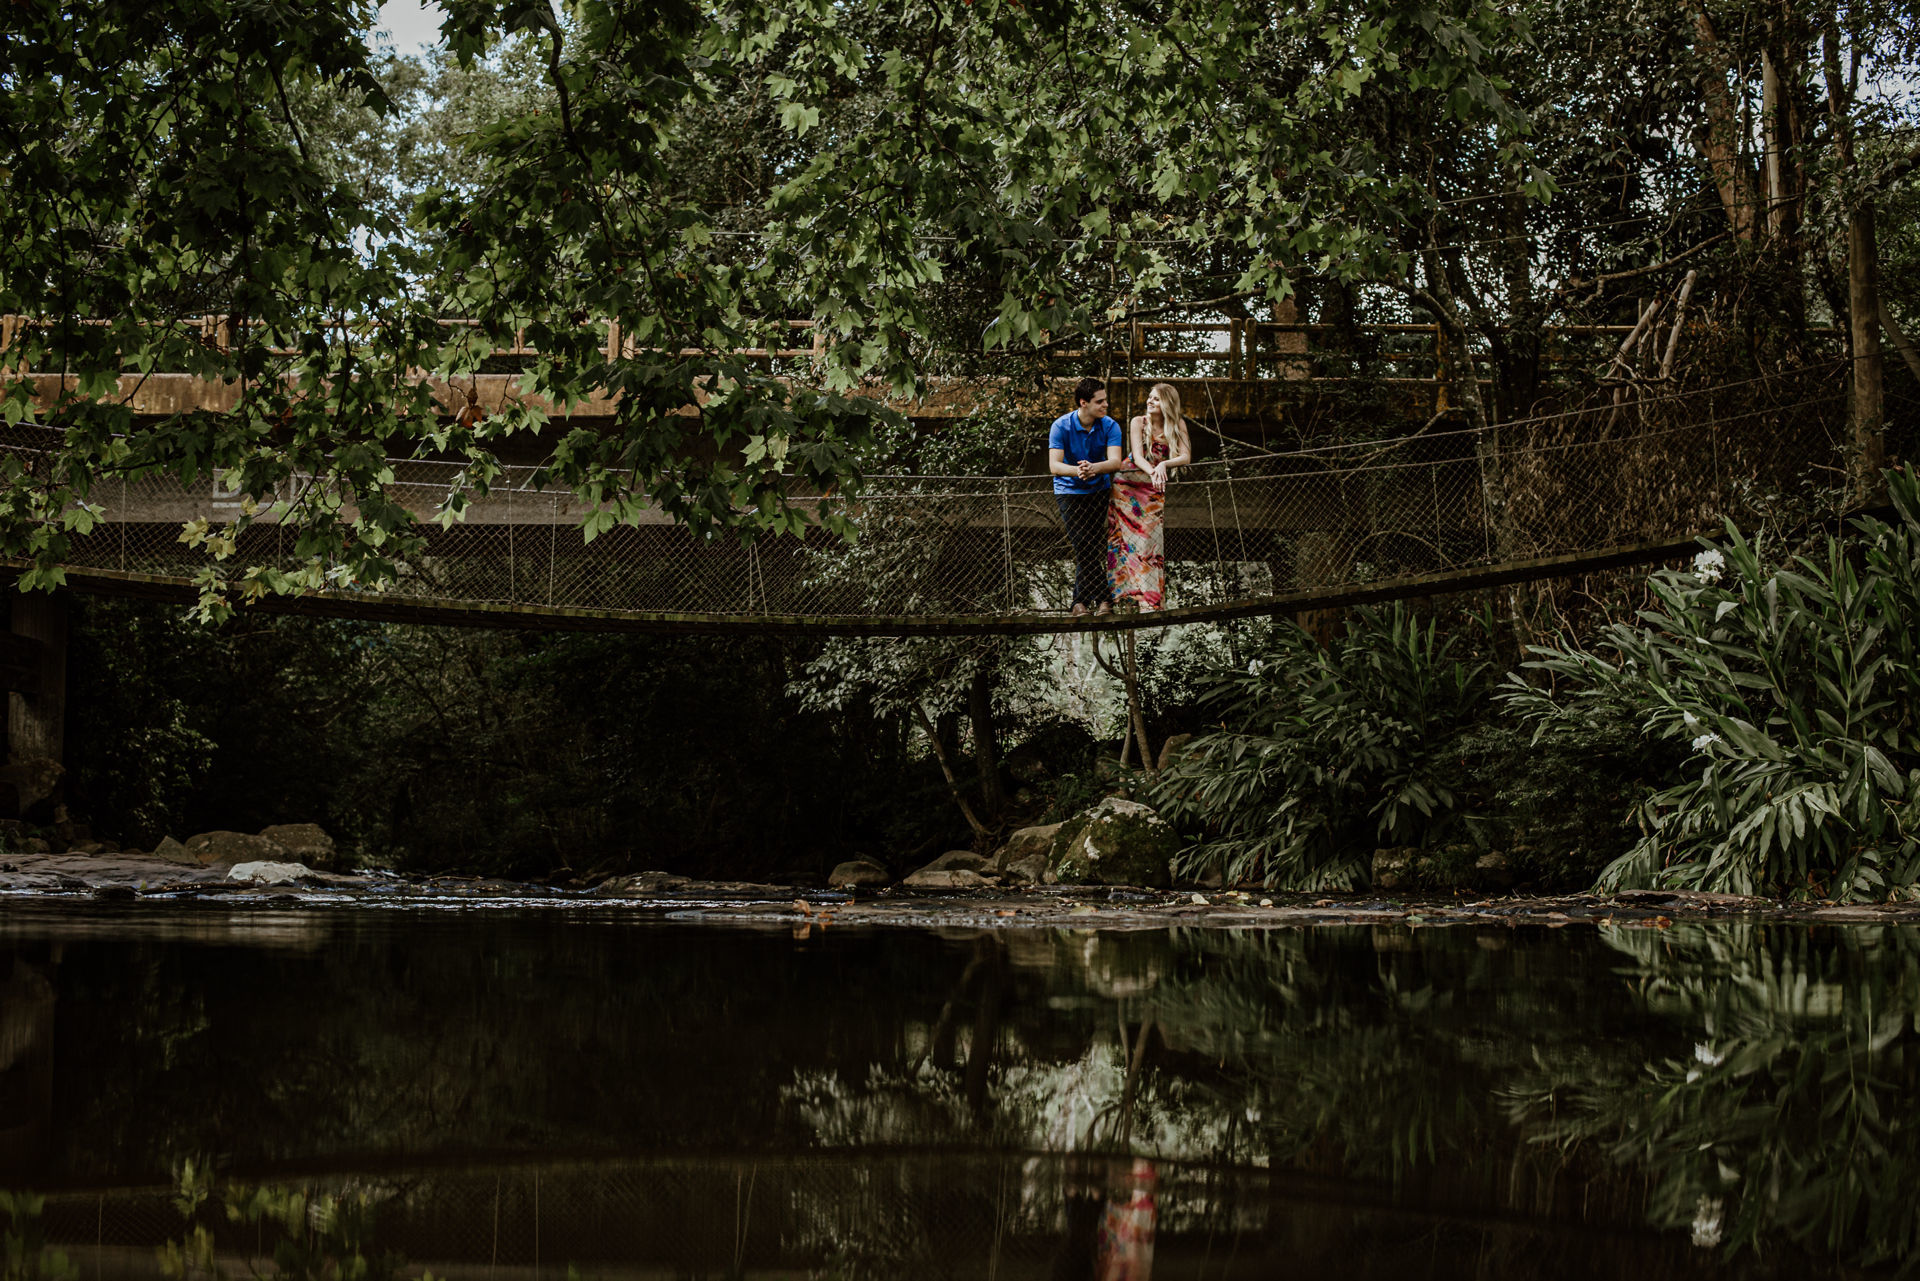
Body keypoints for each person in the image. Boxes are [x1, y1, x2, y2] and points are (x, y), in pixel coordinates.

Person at [1106, 382, 1192, 611]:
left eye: (1156, 399)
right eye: (1149, 398)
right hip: (1126, 487)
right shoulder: (1138, 422)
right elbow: (1136, 456)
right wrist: (1154, 470)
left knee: (1150, 543)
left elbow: (1185, 456)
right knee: (1124, 542)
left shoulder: (1177, 424)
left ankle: (1150, 601)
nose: (1149, 401)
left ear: (1167, 403)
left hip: (1153, 489)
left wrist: (1164, 463)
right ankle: (1125, 598)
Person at [1048, 378, 1127, 616]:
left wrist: (1093, 468)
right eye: (1099, 401)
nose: (1106, 405)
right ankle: (1102, 599)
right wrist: (1078, 471)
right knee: (1083, 543)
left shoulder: (1110, 425)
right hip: (1068, 491)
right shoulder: (1061, 426)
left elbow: (1115, 461)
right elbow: (1054, 466)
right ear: (1084, 403)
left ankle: (1079, 603)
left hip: (1098, 490)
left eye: (1105, 400)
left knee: (1091, 544)